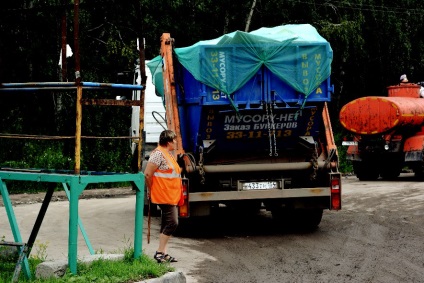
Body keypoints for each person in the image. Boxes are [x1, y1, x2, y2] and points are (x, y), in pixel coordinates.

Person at [144, 130, 182, 263]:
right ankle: (159, 252)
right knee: (173, 222)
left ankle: (164, 253)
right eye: (174, 140)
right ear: (168, 142)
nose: (176, 142)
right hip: (163, 194)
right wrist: (150, 190)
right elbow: (148, 174)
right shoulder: (158, 154)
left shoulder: (168, 154)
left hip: (170, 194)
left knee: (167, 222)